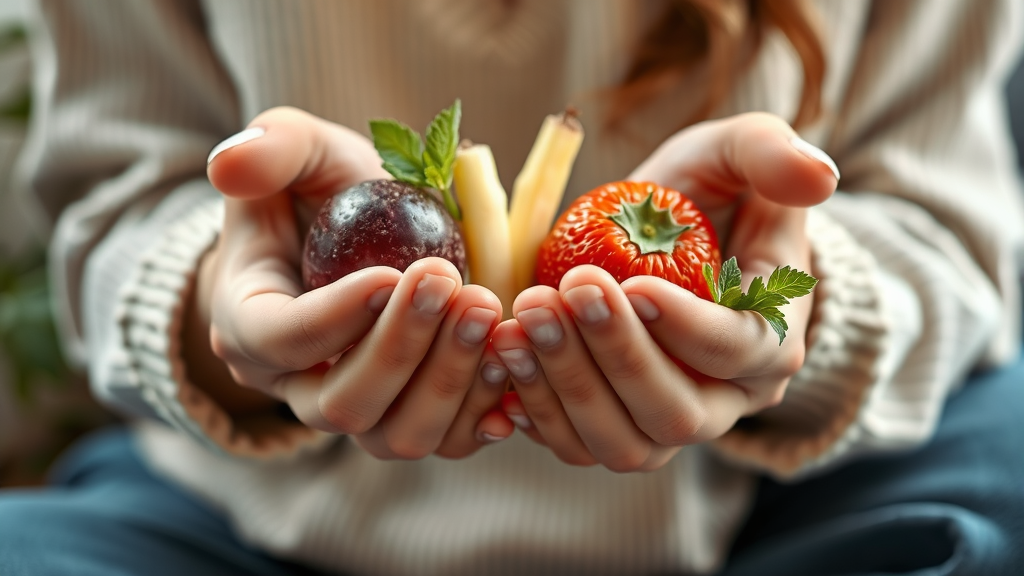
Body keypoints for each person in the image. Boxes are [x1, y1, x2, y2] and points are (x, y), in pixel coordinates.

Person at [1, 0, 1023, 574]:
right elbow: (115, 197)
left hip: (769, 513)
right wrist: (224, 309)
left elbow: (945, 229)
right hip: (251, 529)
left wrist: (805, 313)